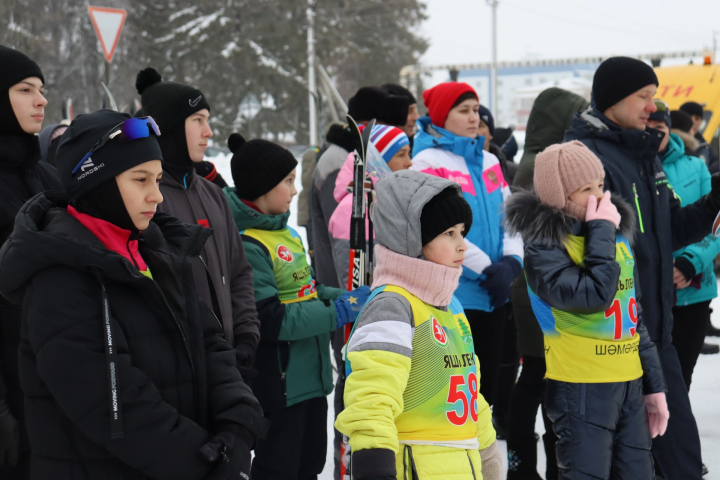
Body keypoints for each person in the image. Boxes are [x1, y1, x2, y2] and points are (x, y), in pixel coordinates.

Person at [0, 110, 267, 479]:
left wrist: (237, 425)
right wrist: (207, 465)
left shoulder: (155, 252)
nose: (156, 195)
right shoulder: (60, 278)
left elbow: (210, 344)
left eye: (157, 179)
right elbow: (116, 407)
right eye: (140, 179)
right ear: (98, 183)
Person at [564, 56, 720, 480]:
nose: (652, 107)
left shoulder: (644, 153)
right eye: (643, 97)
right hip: (610, 345)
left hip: (656, 337)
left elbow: (670, 228)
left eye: (653, 96)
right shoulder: (585, 159)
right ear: (613, 99)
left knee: (681, 459)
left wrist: (715, 199)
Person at [505, 141, 668, 480]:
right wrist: (601, 233)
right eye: (585, 189)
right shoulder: (546, 246)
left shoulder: (612, 238)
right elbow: (593, 296)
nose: (598, 197)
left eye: (601, 186)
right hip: (581, 387)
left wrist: (653, 385)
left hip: (629, 383)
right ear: (559, 197)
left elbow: (633, 317)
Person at [335, 169, 502, 480]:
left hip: (461, 466)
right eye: (449, 234)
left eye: (462, 232)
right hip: (411, 465)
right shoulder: (393, 306)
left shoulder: (450, 306)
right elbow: (372, 402)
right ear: (411, 238)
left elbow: (468, 394)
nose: (463, 245)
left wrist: (489, 459)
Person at [222, 133, 370, 479]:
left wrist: (344, 297)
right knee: (280, 467)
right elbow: (270, 318)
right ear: (261, 188)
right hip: (280, 385)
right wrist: (337, 313)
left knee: (310, 463)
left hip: (313, 380)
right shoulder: (250, 243)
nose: (295, 189)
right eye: (287, 182)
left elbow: (307, 289)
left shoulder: (285, 234)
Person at [136, 67, 260, 383]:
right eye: (198, 120)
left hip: (229, 365)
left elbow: (239, 271)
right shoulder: (146, 199)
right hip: (176, 372)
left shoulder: (214, 194)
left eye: (208, 120)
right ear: (170, 128)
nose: (209, 132)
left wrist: (246, 337)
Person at [411, 82, 524, 407]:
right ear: (443, 116)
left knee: (486, 389)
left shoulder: (488, 160)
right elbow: (442, 228)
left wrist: (512, 262)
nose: (474, 117)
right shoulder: (426, 161)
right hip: (456, 295)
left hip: (495, 292)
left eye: (476, 109)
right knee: (458, 394)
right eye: (464, 110)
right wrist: (488, 269)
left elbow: (510, 215)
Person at [508, 86, 588, 480]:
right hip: (541, 293)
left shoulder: (536, 160)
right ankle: (530, 463)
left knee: (538, 379)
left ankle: (527, 462)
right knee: (543, 380)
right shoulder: (544, 166)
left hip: (535, 288)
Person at [0, 45, 62, 479]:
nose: (41, 100)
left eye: (42, 90)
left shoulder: (45, 176)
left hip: (58, 376)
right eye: (25, 89)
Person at [648, 100, 720, 380]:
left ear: (670, 128)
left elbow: (714, 221)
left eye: (661, 126)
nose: (655, 132)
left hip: (694, 289)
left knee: (682, 375)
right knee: (653, 379)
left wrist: (690, 261)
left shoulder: (696, 166)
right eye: (648, 125)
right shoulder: (637, 169)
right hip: (652, 291)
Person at [311, 86, 409, 289]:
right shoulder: (342, 163)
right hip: (342, 290)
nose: (410, 162)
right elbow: (342, 236)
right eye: (383, 125)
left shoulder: (383, 188)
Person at [328, 124, 412, 287]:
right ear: (377, 160)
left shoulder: (394, 197)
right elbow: (354, 283)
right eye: (401, 155)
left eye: (408, 153)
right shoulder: (354, 207)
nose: (409, 162)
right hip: (379, 307)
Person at [680, 101, 718, 170]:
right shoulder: (670, 145)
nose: (693, 121)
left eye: (697, 118)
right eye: (689, 116)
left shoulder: (706, 149)